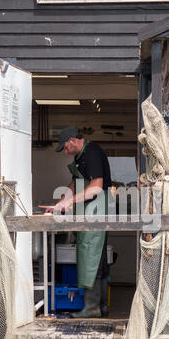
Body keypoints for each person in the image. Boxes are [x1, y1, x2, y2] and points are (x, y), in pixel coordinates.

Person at [46, 127, 111, 318]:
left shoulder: (91, 152)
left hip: (97, 208)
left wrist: (70, 202)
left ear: (73, 140)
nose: (65, 152)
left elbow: (96, 187)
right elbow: (74, 184)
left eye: (65, 147)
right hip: (87, 210)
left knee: (93, 256)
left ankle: (92, 308)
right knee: (93, 255)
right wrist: (58, 204)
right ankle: (101, 306)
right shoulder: (79, 157)